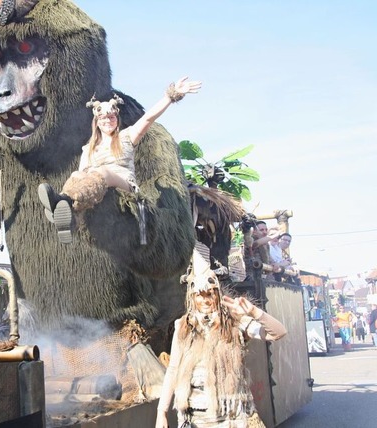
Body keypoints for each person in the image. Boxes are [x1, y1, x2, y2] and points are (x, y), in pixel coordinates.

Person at [38, 77, 201, 243]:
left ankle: (63, 204)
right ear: (97, 122)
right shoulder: (88, 149)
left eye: (111, 117)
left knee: (103, 172)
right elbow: (81, 173)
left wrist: (170, 96)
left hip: (124, 184)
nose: (108, 121)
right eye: (104, 119)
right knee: (75, 175)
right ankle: (64, 205)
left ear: (117, 119)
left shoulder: (127, 136)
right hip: (95, 187)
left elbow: (148, 118)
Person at [155, 249, 287, 428]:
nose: (205, 300)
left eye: (209, 294)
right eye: (199, 295)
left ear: (217, 293)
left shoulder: (235, 322)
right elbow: (173, 369)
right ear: (192, 297)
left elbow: (277, 333)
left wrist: (255, 312)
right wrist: (161, 412)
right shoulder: (183, 326)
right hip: (194, 418)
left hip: (232, 418)